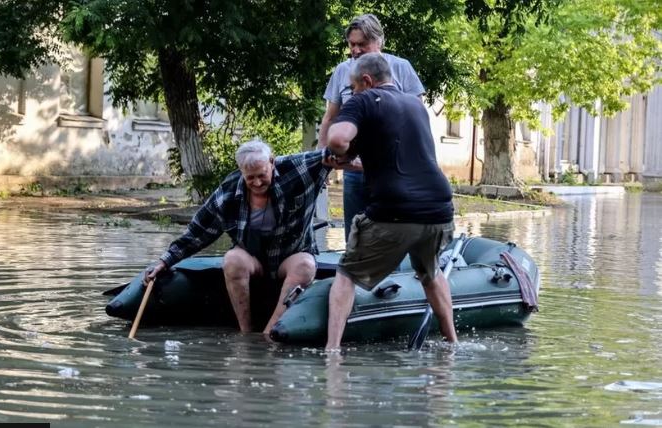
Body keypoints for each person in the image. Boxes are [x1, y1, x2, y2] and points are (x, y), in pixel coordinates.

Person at [324, 53, 457, 351]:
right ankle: (452, 343)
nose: (353, 92)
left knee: (346, 274)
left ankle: (331, 352)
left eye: (354, 86)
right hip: (439, 211)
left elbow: (338, 139)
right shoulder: (415, 105)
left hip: (395, 212)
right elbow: (395, 157)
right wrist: (352, 160)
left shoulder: (364, 100)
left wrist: (335, 144)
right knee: (430, 273)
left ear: (367, 81)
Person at [145, 139, 335, 337]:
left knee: (306, 265)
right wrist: (164, 261)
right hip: (252, 259)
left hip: (291, 255)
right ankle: (245, 333)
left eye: (262, 175)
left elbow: (333, 153)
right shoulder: (227, 194)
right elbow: (197, 233)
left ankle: (269, 334)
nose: (257, 183)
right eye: (250, 178)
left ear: (272, 162)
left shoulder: (296, 168)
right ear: (241, 171)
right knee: (232, 260)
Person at [317, 13, 425, 240]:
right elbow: (330, 119)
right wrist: (321, 160)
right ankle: (354, 272)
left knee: (390, 236)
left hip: (392, 171)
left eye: (362, 44)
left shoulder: (401, 68)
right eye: (352, 44)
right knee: (355, 236)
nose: (355, 50)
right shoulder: (341, 71)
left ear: (379, 42)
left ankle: (392, 273)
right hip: (354, 170)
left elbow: (416, 119)